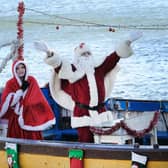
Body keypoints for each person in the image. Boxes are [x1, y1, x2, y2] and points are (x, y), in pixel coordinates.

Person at [35, 31, 142, 142]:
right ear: (77, 58)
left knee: (105, 140)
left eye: (88, 53)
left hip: (100, 112)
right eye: (83, 54)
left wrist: (127, 41)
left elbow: (114, 57)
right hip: (82, 114)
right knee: (85, 141)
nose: (86, 56)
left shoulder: (99, 68)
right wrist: (49, 52)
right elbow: (59, 65)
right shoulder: (72, 71)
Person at [0, 59, 56, 140]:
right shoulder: (10, 83)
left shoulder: (31, 80)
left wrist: (25, 104)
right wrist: (20, 92)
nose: (20, 70)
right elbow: (9, 103)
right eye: (17, 68)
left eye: (22, 67)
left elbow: (36, 97)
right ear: (14, 70)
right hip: (16, 119)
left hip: (30, 117)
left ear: (26, 68)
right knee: (15, 144)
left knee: (33, 141)